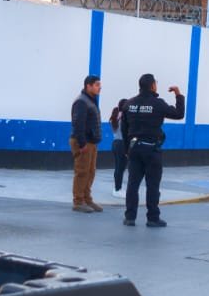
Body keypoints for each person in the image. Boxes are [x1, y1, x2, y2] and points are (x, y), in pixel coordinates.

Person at [120, 73, 185, 228]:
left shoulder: (129, 104)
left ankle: (130, 217)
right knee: (153, 185)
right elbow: (179, 114)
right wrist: (178, 95)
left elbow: (124, 129)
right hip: (151, 150)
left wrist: (127, 148)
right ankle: (153, 218)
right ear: (152, 86)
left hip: (134, 149)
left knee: (132, 184)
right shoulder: (158, 104)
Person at [70, 74, 104, 213]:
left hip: (91, 142)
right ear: (88, 86)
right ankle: (78, 202)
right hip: (84, 142)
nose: (99, 87)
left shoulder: (90, 100)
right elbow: (78, 123)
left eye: (99, 85)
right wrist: (82, 143)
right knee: (82, 172)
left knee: (90, 172)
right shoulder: (81, 102)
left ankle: (87, 199)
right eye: (97, 85)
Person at [108, 94, 130, 198]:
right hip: (122, 144)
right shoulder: (124, 118)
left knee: (118, 168)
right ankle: (118, 189)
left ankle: (117, 188)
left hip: (115, 143)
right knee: (120, 168)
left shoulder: (116, 116)